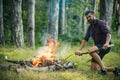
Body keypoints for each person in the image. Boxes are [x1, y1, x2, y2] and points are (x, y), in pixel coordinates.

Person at [75, 10, 120, 76]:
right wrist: (79, 50)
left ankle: (103, 69)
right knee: (94, 69)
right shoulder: (90, 27)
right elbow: (85, 39)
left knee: (90, 50)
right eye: (87, 17)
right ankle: (115, 69)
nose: (88, 18)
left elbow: (108, 34)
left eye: (89, 16)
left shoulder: (100, 23)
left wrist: (107, 43)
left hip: (104, 46)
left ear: (94, 15)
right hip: (98, 47)